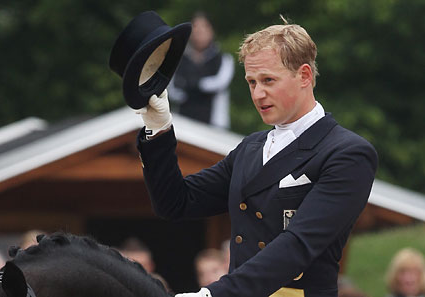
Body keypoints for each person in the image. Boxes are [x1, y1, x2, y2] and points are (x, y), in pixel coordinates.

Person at [134, 17, 377, 297]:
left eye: (268, 80)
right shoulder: (251, 147)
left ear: (305, 76)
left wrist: (215, 294)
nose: (258, 94)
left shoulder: (348, 152)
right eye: (251, 82)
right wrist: (159, 131)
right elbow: (175, 203)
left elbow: (298, 244)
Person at [168, 12, 234, 129]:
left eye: (204, 27)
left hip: (214, 125)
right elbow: (173, 91)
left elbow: (219, 83)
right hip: (183, 123)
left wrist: (194, 84)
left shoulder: (224, 59)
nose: (199, 32)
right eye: (195, 27)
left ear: (212, 30)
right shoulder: (178, 59)